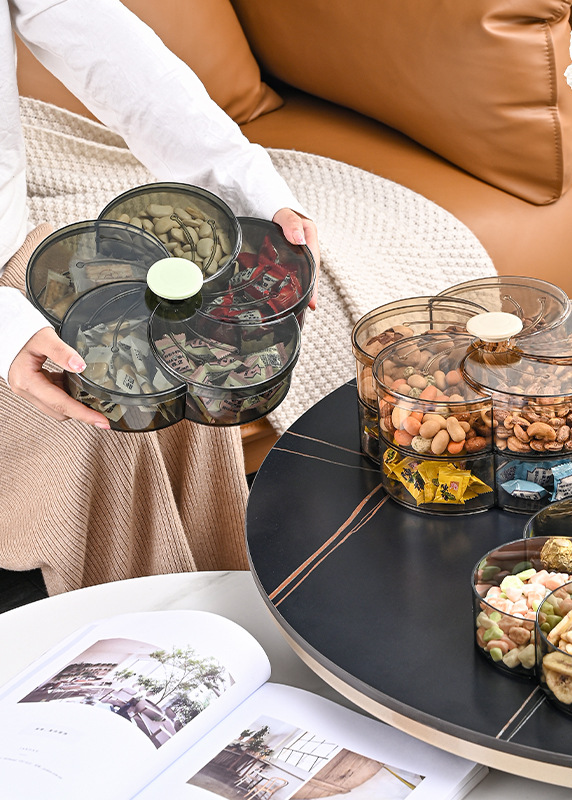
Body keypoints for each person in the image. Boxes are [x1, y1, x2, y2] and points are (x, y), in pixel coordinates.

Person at [0, 0, 320, 594]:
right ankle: (128, 642)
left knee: (180, 354)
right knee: (100, 429)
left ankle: (221, 612)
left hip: (10, 240)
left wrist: (248, 189)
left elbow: (103, 41)